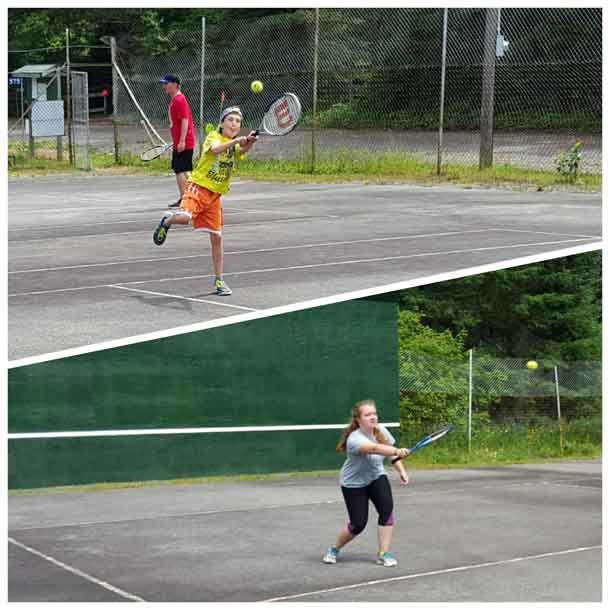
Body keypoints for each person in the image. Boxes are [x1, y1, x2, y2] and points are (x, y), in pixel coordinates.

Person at [153, 106, 257, 296]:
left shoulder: (233, 143)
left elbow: (241, 152)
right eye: (230, 119)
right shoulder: (213, 137)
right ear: (222, 122)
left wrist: (250, 142)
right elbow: (216, 149)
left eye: (238, 121)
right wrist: (237, 141)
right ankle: (167, 220)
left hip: (214, 196)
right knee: (184, 218)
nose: (234, 124)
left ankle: (219, 281)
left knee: (217, 238)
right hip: (198, 187)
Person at [323, 399, 410, 567]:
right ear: (358, 419)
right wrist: (396, 450)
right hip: (354, 484)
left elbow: (391, 454)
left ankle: (384, 553)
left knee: (387, 511)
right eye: (367, 414)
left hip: (376, 476)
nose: (373, 417)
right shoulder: (354, 439)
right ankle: (334, 549)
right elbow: (375, 449)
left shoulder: (381, 430)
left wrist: (401, 469)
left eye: (374, 413)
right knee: (358, 524)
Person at [160, 74, 196, 208]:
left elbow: (185, 121)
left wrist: (182, 141)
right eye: (164, 83)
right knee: (183, 170)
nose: (164, 86)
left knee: (181, 169)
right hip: (181, 140)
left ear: (175, 85)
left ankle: (186, 198)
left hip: (184, 141)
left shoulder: (179, 100)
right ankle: (189, 197)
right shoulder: (175, 100)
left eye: (166, 83)